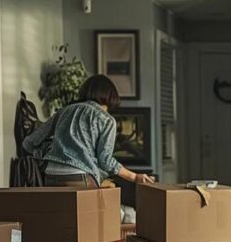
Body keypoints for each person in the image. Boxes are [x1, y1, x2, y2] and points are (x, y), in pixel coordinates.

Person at [23, 74, 154, 188]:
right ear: (111, 96)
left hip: (51, 175)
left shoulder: (65, 111)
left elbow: (29, 143)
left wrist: (46, 152)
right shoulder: (107, 120)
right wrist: (135, 177)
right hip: (79, 177)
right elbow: (106, 161)